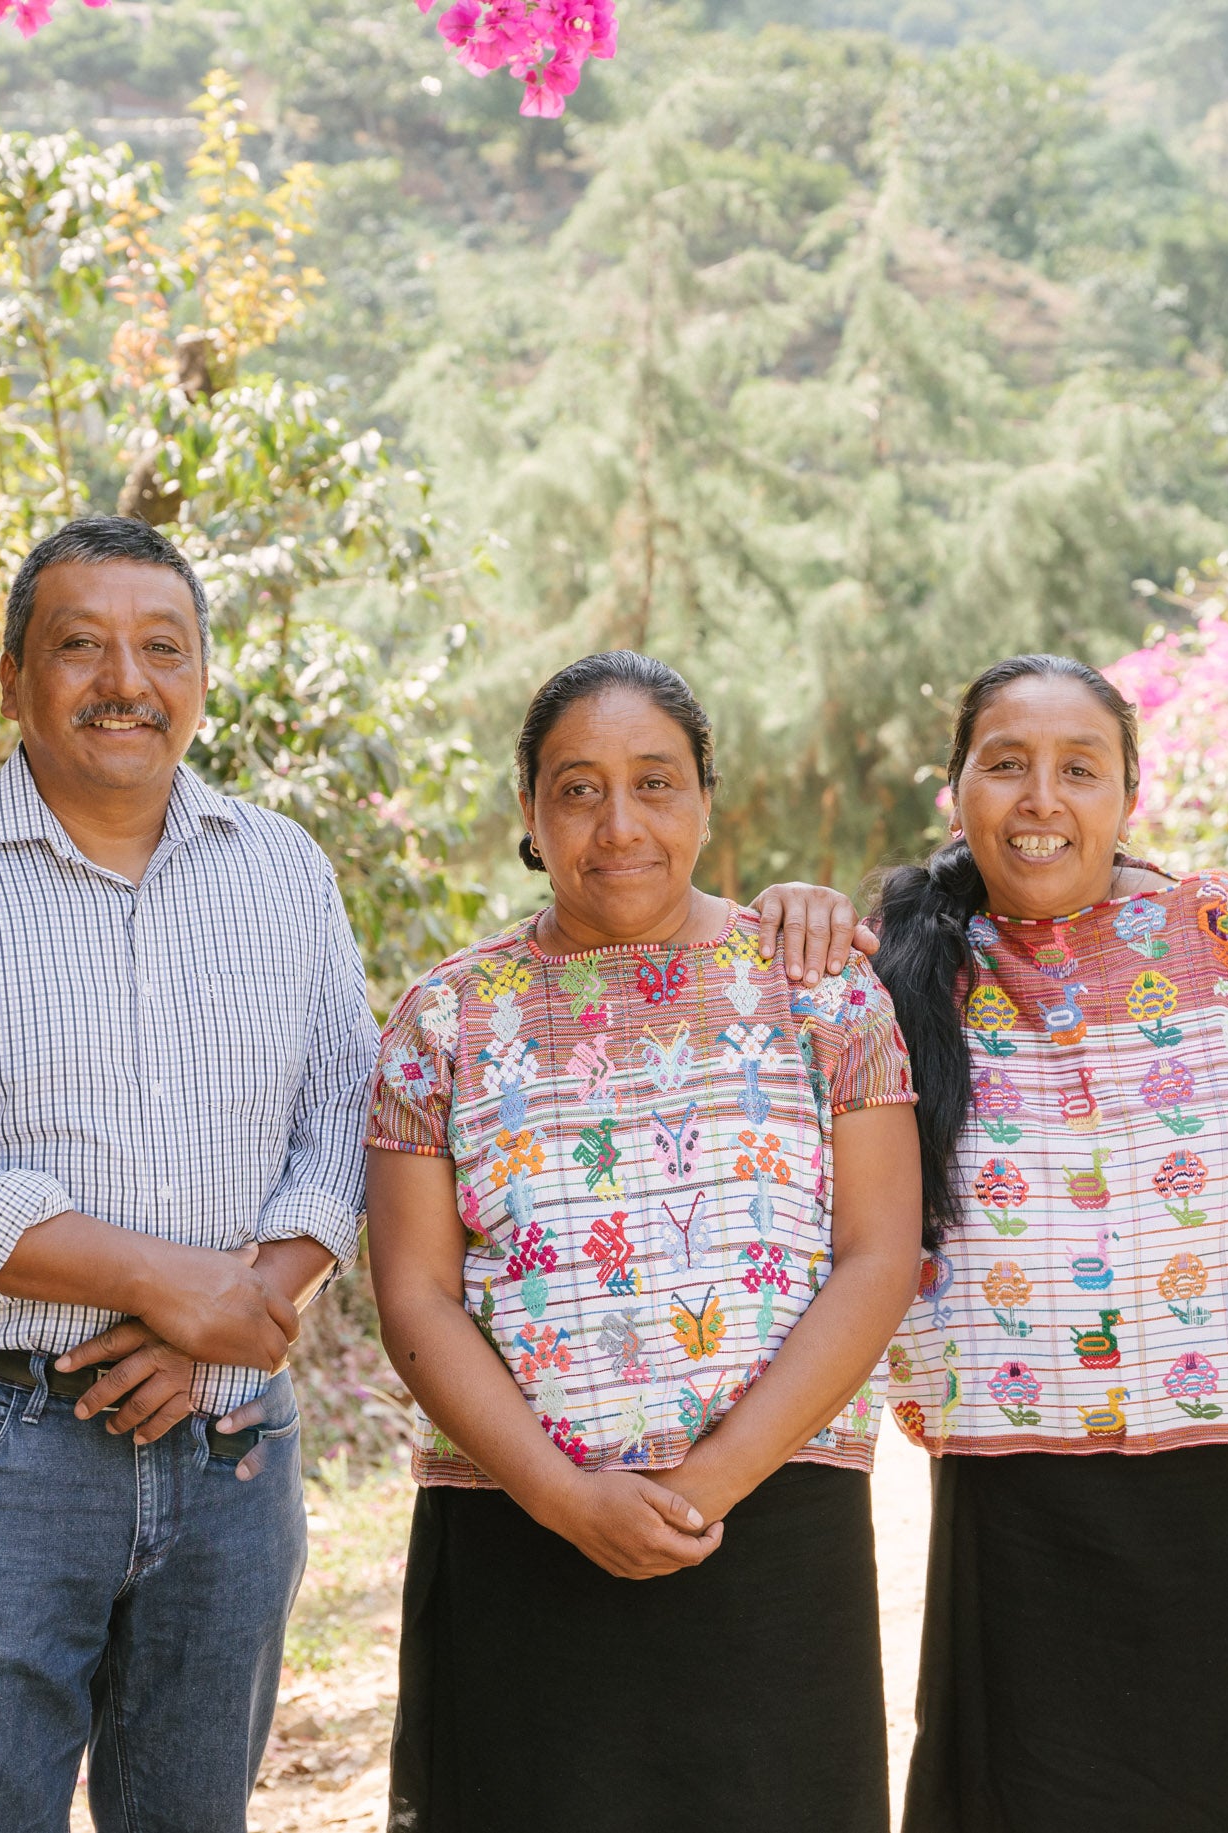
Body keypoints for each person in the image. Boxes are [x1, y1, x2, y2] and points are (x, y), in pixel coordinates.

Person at [0, 516, 364, 1833]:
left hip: (228, 1445)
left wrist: (230, 1317)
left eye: (160, 647)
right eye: (79, 646)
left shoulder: (283, 871)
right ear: (10, 677)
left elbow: (347, 1113)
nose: (125, 679)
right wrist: (166, 1284)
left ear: (201, 676)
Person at [365, 651, 925, 1833]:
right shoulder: (444, 1018)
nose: (618, 824)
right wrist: (570, 1499)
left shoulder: (820, 994)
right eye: (577, 788)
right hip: (517, 1527)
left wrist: (701, 1487)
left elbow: (879, 1256)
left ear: (706, 798)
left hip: (768, 1528)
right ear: (527, 811)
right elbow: (415, 1299)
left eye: (654, 783)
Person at [873, 654, 1228, 1833]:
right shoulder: (900, 968)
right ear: (954, 789)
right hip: (1016, 1491)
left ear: (1128, 792)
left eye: (1079, 769)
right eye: (1004, 766)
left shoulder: (1220, 929)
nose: (1040, 799)